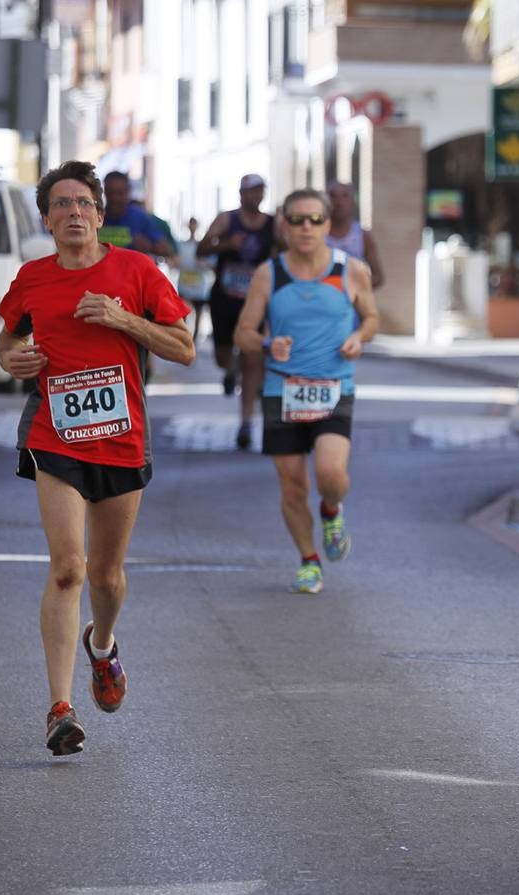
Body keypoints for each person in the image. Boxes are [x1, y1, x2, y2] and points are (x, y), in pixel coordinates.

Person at [0, 160, 195, 756]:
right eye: (61, 204)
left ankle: (101, 646)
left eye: (83, 203)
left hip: (121, 436)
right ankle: (60, 708)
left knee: (106, 577)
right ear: (48, 220)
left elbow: (184, 346)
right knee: (67, 569)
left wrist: (121, 317)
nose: (73, 212)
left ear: (101, 217)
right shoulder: (31, 278)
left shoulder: (134, 271)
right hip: (55, 436)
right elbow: (8, 337)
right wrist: (11, 358)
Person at [234, 188, 379, 595]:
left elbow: (371, 317)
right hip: (282, 390)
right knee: (293, 485)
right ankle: (308, 559)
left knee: (331, 473)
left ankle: (332, 509)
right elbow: (242, 332)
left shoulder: (350, 269)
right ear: (284, 225)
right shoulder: (269, 273)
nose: (306, 228)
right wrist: (266, 344)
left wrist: (358, 337)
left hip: (334, 388)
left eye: (315, 219)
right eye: (297, 219)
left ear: (328, 225)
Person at [197, 173, 277, 449]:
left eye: (259, 191)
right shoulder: (226, 220)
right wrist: (227, 245)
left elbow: (283, 252)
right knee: (222, 355)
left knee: (253, 357)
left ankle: (246, 422)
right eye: (250, 192)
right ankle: (230, 370)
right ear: (241, 194)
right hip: (225, 299)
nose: (254, 196)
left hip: (256, 301)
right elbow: (201, 249)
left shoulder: (272, 224)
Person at [97, 171, 172, 257]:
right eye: (111, 192)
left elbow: (166, 249)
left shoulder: (139, 217)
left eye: (120, 193)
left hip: (132, 269)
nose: (115, 198)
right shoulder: (96, 216)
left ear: (128, 192)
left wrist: (151, 247)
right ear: (104, 192)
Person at [325, 181, 385, 288]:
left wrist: (354, 289)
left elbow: (378, 276)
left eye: (345, 196)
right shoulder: (317, 234)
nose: (338, 202)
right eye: (333, 196)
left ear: (353, 203)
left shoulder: (362, 235)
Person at [175, 217, 214, 341]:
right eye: (191, 224)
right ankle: (185, 340)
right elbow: (176, 261)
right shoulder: (181, 245)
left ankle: (194, 341)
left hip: (199, 288)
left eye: (194, 225)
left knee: (198, 315)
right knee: (184, 315)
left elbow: (211, 264)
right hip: (184, 286)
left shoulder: (202, 246)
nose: (192, 227)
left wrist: (203, 265)